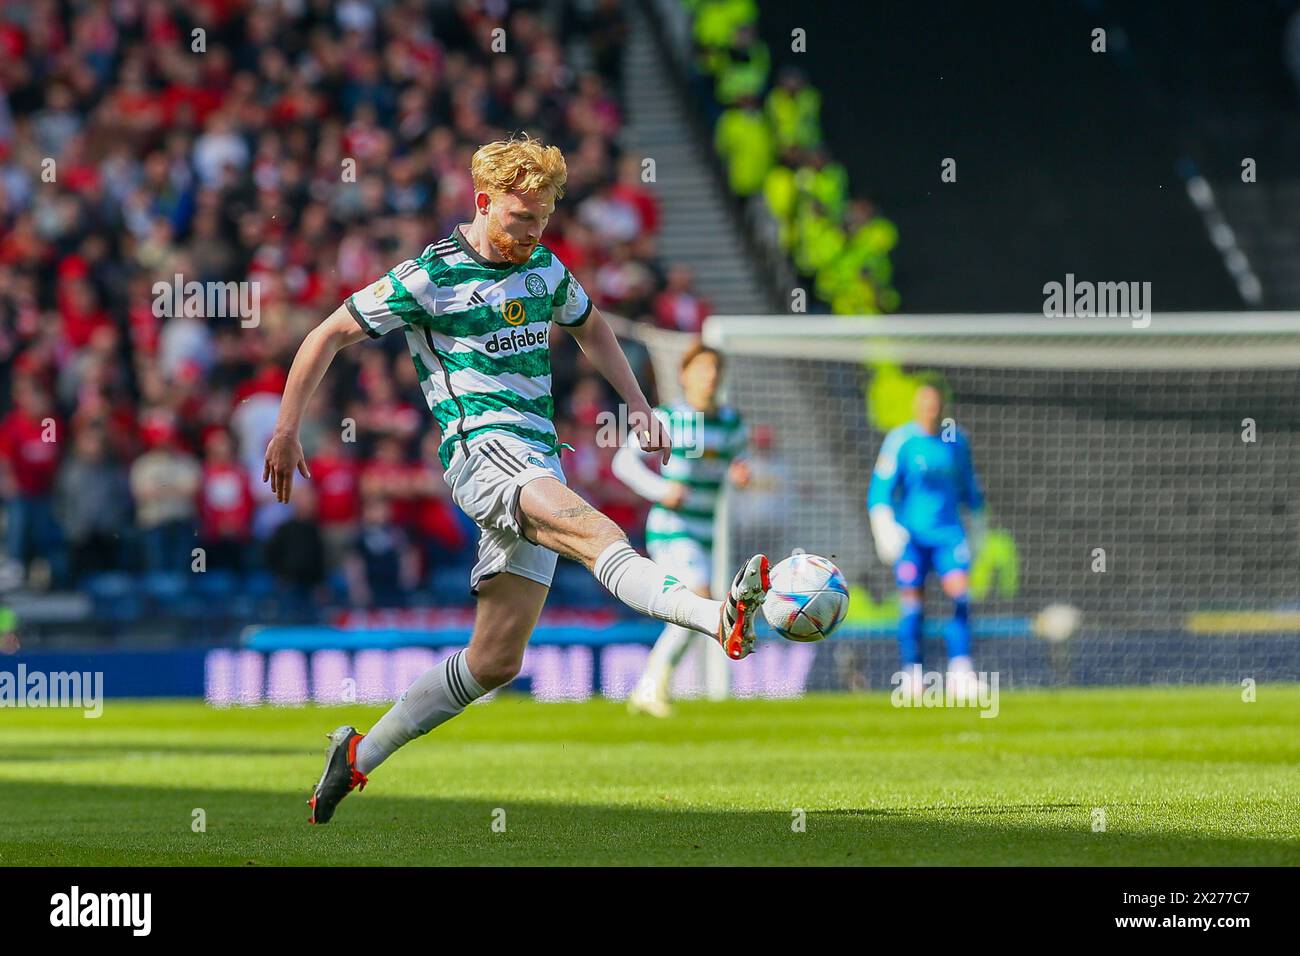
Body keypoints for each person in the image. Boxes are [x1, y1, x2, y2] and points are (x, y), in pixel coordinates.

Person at [263, 135, 771, 824]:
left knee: (495, 660)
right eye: (518, 218)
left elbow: (590, 328)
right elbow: (326, 334)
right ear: (482, 202)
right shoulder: (430, 276)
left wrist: (642, 406)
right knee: (598, 533)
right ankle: (719, 619)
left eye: (542, 220)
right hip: (483, 452)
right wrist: (289, 427)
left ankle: (357, 755)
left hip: (537, 457)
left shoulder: (545, 270)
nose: (531, 233)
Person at [612, 343, 749, 717]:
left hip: (707, 533)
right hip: (672, 529)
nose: (710, 377)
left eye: (715, 370)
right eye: (702, 369)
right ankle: (652, 684)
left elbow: (736, 469)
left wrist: (739, 478)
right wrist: (662, 489)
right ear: (685, 375)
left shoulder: (732, 425)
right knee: (701, 600)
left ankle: (652, 685)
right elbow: (623, 462)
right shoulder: (667, 418)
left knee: (695, 610)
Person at [868, 383, 987, 700]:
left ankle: (961, 672)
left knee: (961, 598)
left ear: (942, 406)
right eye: (924, 404)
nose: (930, 410)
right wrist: (885, 528)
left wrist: (977, 530)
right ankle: (913, 673)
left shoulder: (955, 441)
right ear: (916, 407)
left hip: (949, 536)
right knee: (912, 606)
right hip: (913, 540)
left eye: (935, 404)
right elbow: (880, 490)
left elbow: (970, 491)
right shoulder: (901, 441)